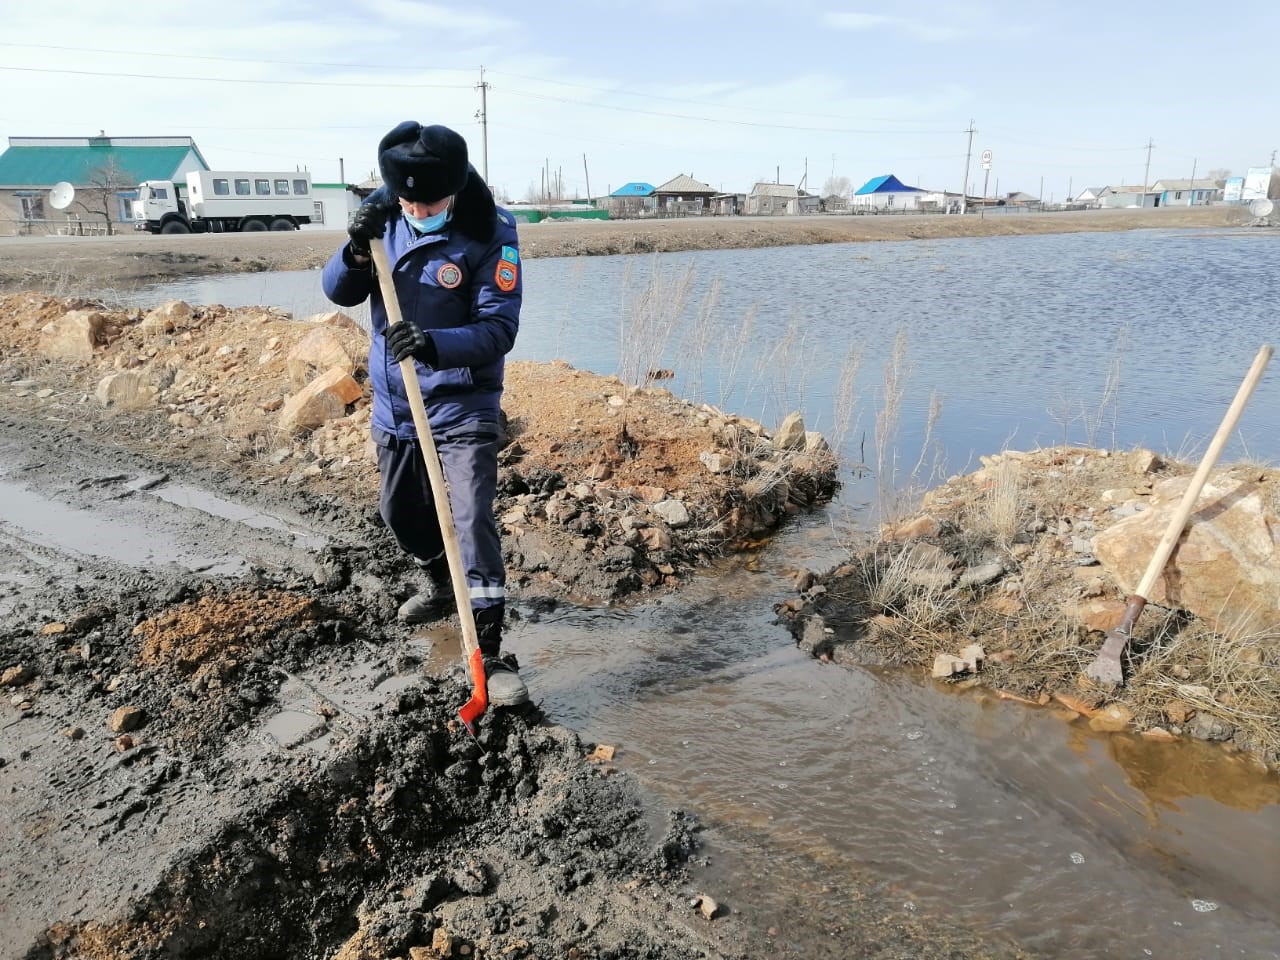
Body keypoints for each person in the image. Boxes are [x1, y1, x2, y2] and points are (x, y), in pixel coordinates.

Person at [322, 121, 526, 707]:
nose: (418, 211)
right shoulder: (382, 217)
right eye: (410, 202)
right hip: (397, 401)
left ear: (453, 190)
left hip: (463, 399)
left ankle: (487, 650)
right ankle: (441, 581)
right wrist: (354, 252)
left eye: (430, 203)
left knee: (470, 518)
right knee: (401, 513)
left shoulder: (491, 232)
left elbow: (498, 329)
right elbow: (338, 292)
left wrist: (434, 343)